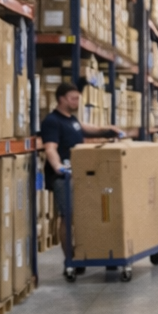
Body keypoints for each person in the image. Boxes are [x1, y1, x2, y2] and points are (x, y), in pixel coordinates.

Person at [40, 82, 126, 245]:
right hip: (63, 178)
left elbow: (90, 129)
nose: (76, 102)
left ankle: (84, 252)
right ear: (61, 99)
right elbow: (50, 148)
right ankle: (69, 260)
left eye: (78, 99)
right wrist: (59, 167)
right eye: (73, 99)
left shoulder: (72, 120)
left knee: (84, 214)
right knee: (67, 216)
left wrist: (110, 130)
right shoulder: (52, 121)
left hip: (79, 174)